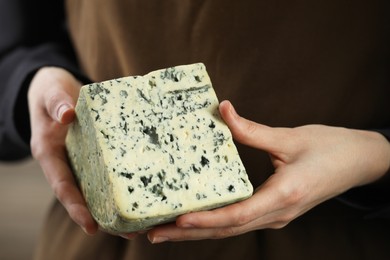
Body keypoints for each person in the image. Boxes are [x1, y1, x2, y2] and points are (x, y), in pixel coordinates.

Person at [1, 0, 389, 259]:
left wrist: (375, 155)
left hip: (335, 237)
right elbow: (15, 36)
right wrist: (29, 81)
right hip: (103, 242)